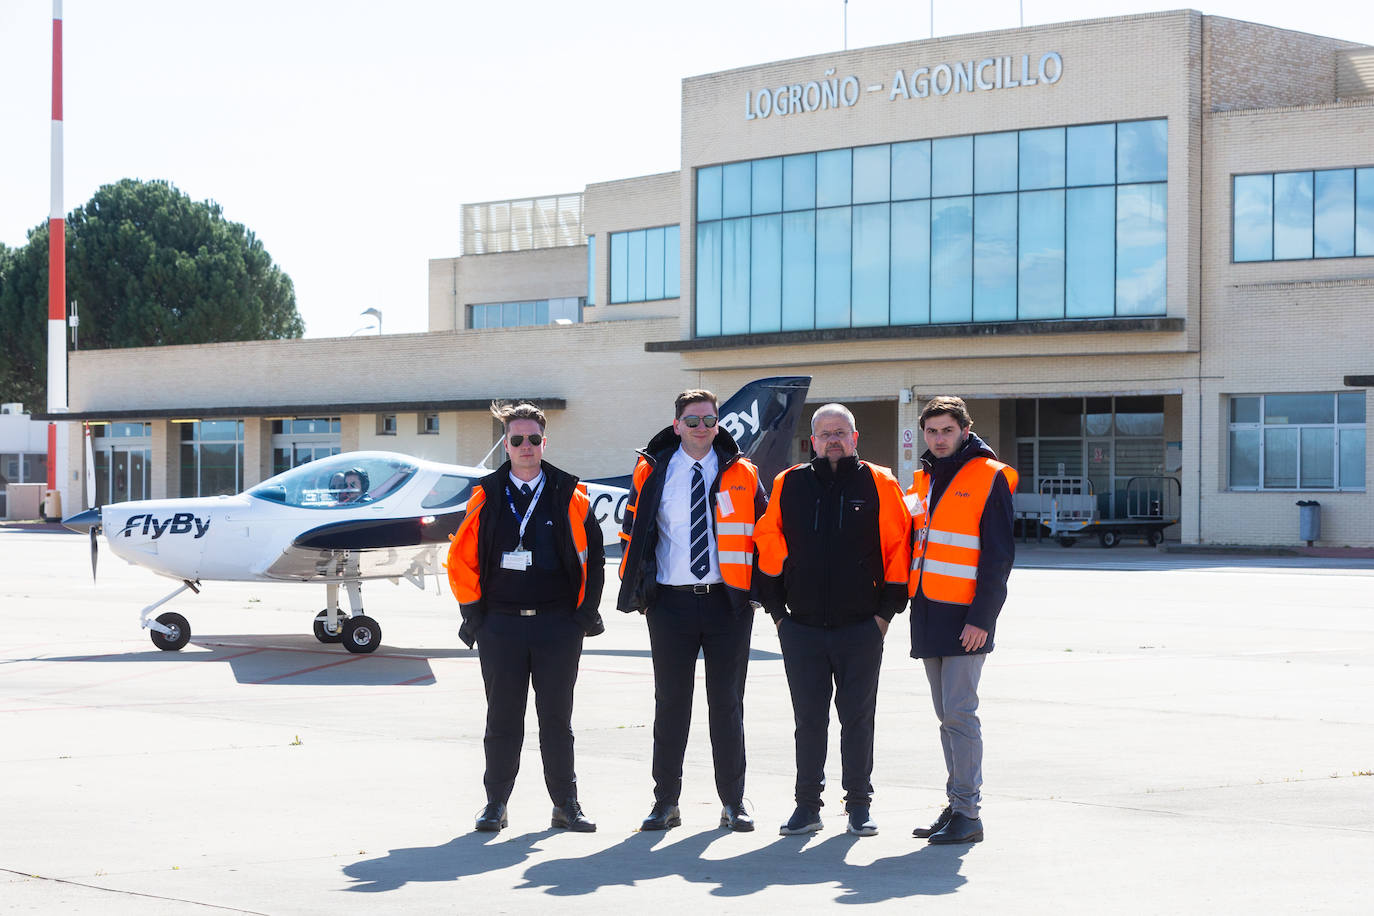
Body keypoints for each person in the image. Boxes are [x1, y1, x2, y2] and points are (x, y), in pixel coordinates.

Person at [447, 402, 606, 834]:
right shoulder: (486, 495)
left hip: (558, 626)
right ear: (505, 444)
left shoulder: (570, 494)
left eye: (533, 439)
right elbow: (462, 559)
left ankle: (566, 805)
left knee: (557, 719)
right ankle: (495, 803)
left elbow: (594, 561)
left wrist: (582, 618)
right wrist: (475, 618)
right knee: (502, 718)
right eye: (516, 439)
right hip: (501, 625)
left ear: (544, 441)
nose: (525, 447)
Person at [754, 404, 910, 837]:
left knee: (858, 719)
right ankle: (807, 806)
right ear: (813, 441)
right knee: (809, 721)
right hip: (800, 628)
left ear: (855, 437)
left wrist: (884, 616)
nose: (833, 439)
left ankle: (859, 804)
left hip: (861, 627)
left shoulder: (881, 482)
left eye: (841, 432)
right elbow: (768, 543)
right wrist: (777, 612)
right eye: (825, 434)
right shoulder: (790, 482)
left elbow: (900, 549)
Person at [618, 388, 766, 832]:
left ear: (718, 423)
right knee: (671, 706)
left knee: (727, 706)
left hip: (727, 603)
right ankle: (666, 802)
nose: (702, 427)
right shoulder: (653, 471)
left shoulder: (742, 471)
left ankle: (734, 803)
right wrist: (639, 591)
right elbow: (635, 533)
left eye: (709, 420)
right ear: (677, 424)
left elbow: (763, 534)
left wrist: (760, 593)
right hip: (671, 604)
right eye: (693, 420)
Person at [906, 396, 1016, 846]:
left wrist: (982, 619)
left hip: (967, 618)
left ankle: (969, 813)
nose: (938, 438)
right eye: (931, 431)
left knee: (960, 714)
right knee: (946, 716)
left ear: (965, 431)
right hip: (928, 612)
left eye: (946, 430)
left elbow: (999, 557)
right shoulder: (924, 478)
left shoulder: (989, 477)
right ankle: (955, 806)